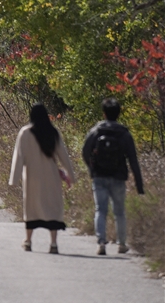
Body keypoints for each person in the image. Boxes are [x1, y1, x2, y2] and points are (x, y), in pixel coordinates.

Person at [9, 103, 76, 253]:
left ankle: (28, 241)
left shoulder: (25, 132)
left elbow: (18, 157)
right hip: (51, 176)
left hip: (32, 176)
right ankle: (53, 244)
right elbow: (64, 157)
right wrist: (71, 176)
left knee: (32, 208)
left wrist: (14, 178)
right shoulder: (53, 132)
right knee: (52, 208)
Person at [82, 97, 144, 255]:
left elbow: (85, 151)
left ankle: (101, 243)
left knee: (100, 210)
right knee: (119, 211)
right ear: (119, 113)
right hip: (118, 176)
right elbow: (133, 159)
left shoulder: (97, 130)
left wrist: (92, 168)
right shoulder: (124, 133)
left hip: (99, 176)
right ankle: (122, 244)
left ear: (104, 113)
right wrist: (139, 184)